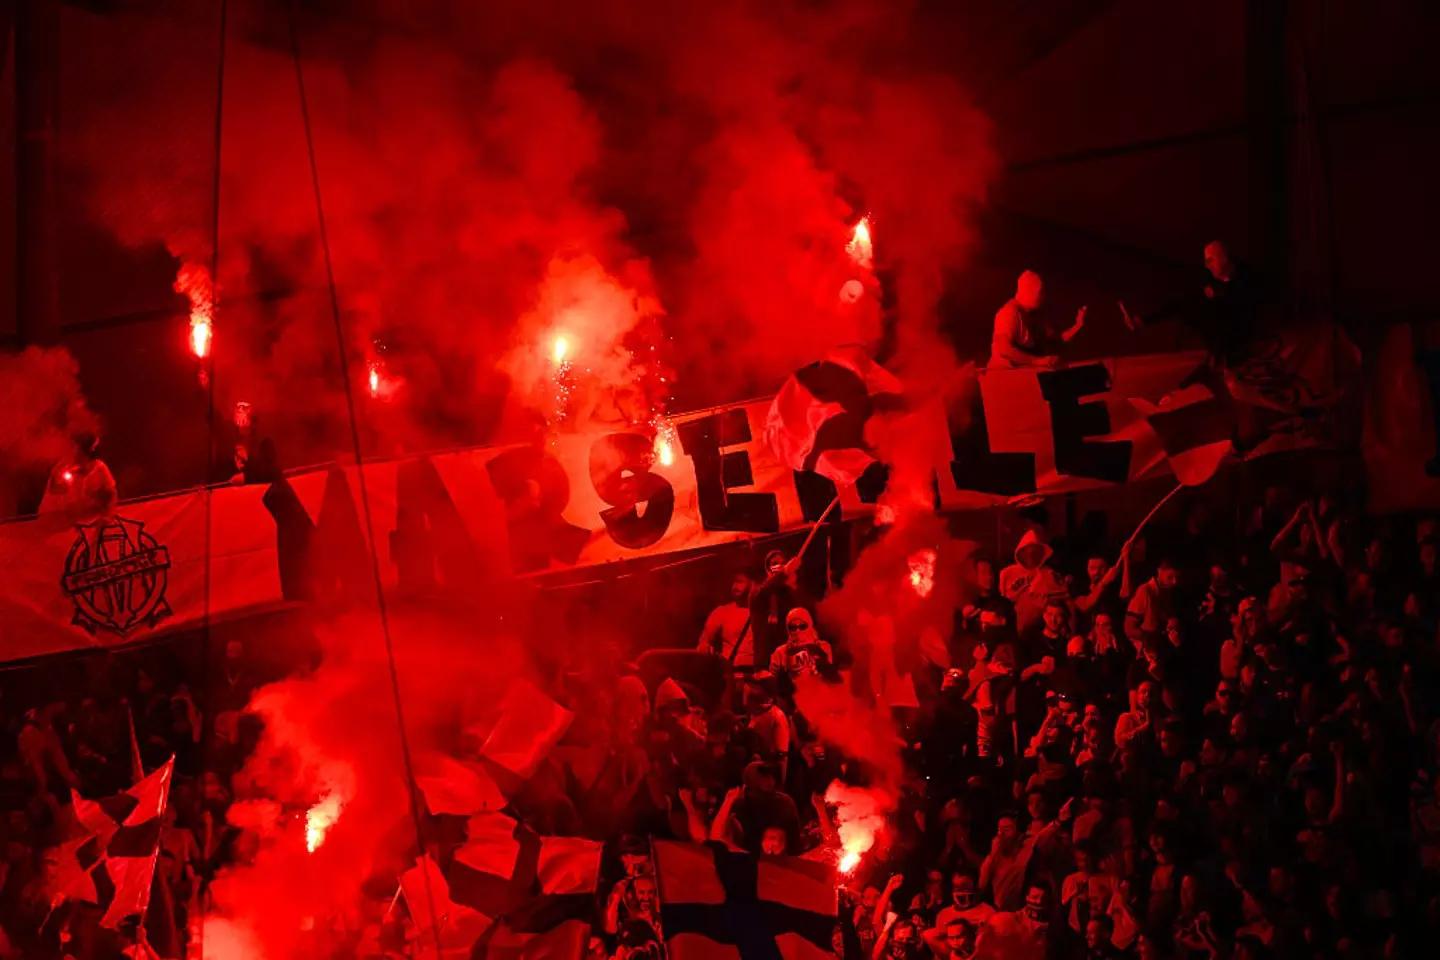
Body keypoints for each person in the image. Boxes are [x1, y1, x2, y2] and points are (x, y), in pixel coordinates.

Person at [988, 270, 1086, 369]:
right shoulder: (1009, 312)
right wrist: (1037, 361)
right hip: (1002, 375)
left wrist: (1078, 325)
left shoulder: (1036, 317)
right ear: (1027, 291)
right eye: (1040, 292)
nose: (1043, 297)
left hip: (1027, 374)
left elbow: (1058, 340)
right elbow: (1005, 349)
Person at [39, 430, 117, 526]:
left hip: (83, 523)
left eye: (80, 453)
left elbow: (111, 495)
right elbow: (54, 490)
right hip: (54, 523)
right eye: (75, 450)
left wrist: (105, 515)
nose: (76, 455)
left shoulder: (100, 469)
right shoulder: (63, 468)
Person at [1000, 531, 1070, 634]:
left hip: (1041, 632)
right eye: (1027, 550)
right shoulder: (1007, 573)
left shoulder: (1049, 574)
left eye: (1034, 551)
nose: (1030, 554)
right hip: (1012, 630)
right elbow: (1001, 602)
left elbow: (1064, 600)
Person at [697, 571, 757, 670]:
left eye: (740, 581)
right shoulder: (722, 612)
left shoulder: (765, 612)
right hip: (733, 674)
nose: (734, 586)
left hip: (760, 675)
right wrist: (704, 647)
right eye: (733, 582)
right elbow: (704, 641)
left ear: (753, 583)